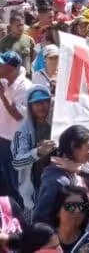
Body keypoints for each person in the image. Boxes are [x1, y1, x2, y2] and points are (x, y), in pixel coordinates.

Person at [34, 125, 89, 224]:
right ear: (74, 146)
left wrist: (82, 170)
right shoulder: (57, 180)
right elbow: (40, 218)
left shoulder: (81, 165)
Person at [12, 85, 55, 214]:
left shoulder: (59, 124)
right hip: (35, 188)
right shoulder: (22, 131)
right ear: (30, 107)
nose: (41, 106)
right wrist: (38, 151)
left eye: (44, 102)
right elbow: (17, 163)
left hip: (59, 185)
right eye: (36, 103)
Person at [0, 51, 32, 205]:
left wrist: (2, 96)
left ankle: (19, 216)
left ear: (11, 68)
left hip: (15, 142)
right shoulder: (4, 81)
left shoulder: (26, 87)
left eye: (1, 65)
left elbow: (19, 116)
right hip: (2, 138)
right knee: (4, 181)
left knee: (15, 183)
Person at [48, 185, 89, 252]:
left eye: (81, 207)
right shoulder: (44, 239)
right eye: (71, 206)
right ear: (58, 211)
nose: (77, 211)